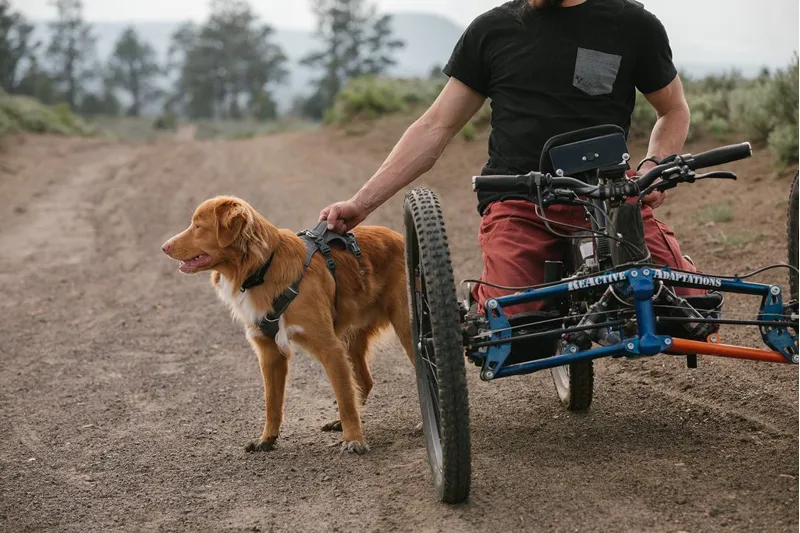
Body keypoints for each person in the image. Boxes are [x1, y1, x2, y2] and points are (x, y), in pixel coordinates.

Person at [319, 0, 704, 316]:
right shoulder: (492, 31)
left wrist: (655, 165)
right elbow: (435, 127)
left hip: (610, 198)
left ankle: (675, 266)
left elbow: (673, 109)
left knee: (689, 308)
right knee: (514, 322)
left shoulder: (633, 24)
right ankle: (482, 301)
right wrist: (361, 203)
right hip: (520, 200)